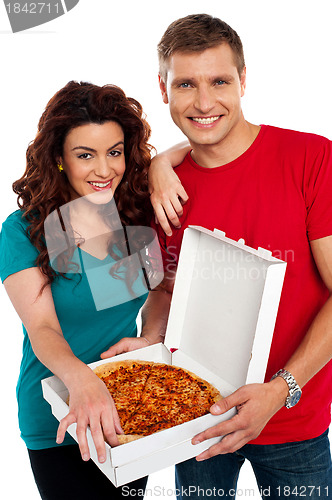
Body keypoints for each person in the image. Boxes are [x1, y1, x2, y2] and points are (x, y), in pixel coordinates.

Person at [105, 14, 332, 499]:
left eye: (220, 81)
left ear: (244, 81)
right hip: (195, 421)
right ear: (163, 89)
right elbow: (166, 289)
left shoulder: (312, 159)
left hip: (294, 421)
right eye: (186, 83)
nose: (204, 102)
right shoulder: (154, 191)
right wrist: (150, 341)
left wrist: (280, 390)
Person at [0, 80, 163, 500]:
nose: (104, 169)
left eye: (114, 152)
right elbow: (43, 329)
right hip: (57, 414)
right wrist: (83, 381)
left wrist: (149, 339)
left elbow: (156, 294)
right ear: (59, 159)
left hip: (128, 408)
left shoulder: (133, 218)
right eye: (85, 155)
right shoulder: (24, 232)